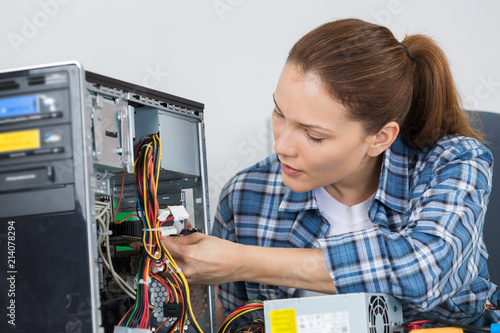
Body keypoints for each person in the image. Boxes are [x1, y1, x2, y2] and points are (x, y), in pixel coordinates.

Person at [162, 18, 500, 327]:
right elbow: (234, 322)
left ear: (380, 137)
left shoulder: (453, 162)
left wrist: (242, 260)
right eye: (279, 114)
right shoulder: (246, 194)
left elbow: (423, 270)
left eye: (314, 135)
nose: (282, 146)